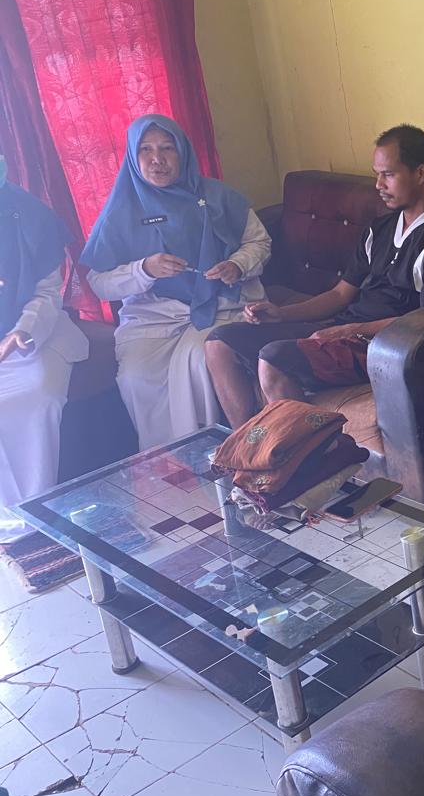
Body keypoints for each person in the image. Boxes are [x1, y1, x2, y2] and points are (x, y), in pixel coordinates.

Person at [204, 125, 424, 425]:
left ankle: (310, 452)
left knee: (274, 359)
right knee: (219, 344)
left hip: (382, 344)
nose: (378, 185)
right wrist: (282, 314)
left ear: (420, 173)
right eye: (377, 174)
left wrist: (350, 330)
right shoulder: (379, 230)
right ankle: (247, 444)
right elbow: (340, 294)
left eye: (388, 174)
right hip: (343, 326)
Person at [82, 115, 270, 450]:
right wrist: (144, 270)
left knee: (196, 362)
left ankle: (213, 450)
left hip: (221, 303)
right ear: (133, 156)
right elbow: (99, 283)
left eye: (167, 148)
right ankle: (165, 459)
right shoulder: (119, 212)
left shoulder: (218, 196)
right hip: (153, 313)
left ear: (182, 152)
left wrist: (236, 265)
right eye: (146, 149)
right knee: (135, 375)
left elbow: (259, 242)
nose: (157, 159)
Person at [0, 154, 89, 542]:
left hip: (35, 335)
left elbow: (48, 293)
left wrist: (21, 331)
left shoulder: (31, 216)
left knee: (39, 394)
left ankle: (38, 509)